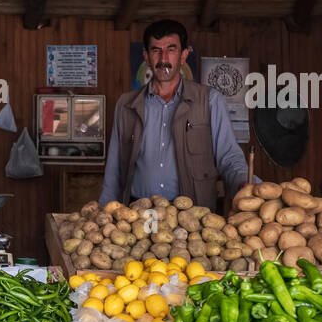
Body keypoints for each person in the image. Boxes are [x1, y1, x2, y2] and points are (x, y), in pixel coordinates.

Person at [99, 19, 249, 209]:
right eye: (156, 50)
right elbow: (114, 170)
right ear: (146, 56)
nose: (163, 59)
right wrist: (104, 210)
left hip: (193, 215)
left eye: (171, 49)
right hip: (140, 215)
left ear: (183, 55)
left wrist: (244, 182)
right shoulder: (126, 105)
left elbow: (229, 156)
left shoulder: (209, 100)